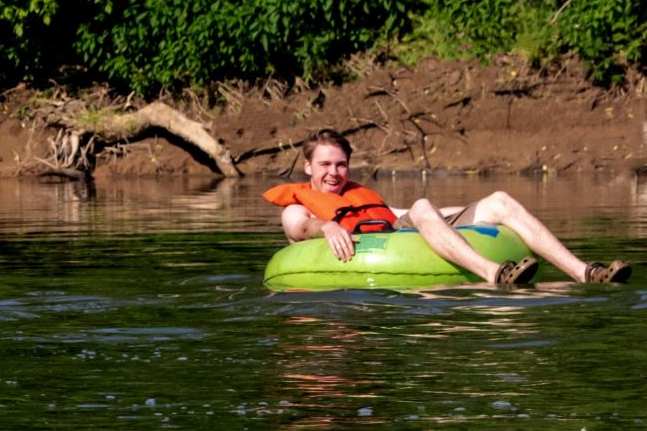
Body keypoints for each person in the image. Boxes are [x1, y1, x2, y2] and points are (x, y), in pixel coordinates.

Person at [265, 128, 626, 285]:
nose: (333, 173)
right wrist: (327, 227)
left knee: (498, 200)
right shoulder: (298, 207)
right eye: (325, 165)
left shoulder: (356, 194)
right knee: (423, 205)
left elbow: (390, 214)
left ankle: (585, 272)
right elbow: (300, 227)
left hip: (396, 227)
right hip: (364, 251)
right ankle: (493, 273)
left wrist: (456, 210)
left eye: (340, 164)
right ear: (308, 167)